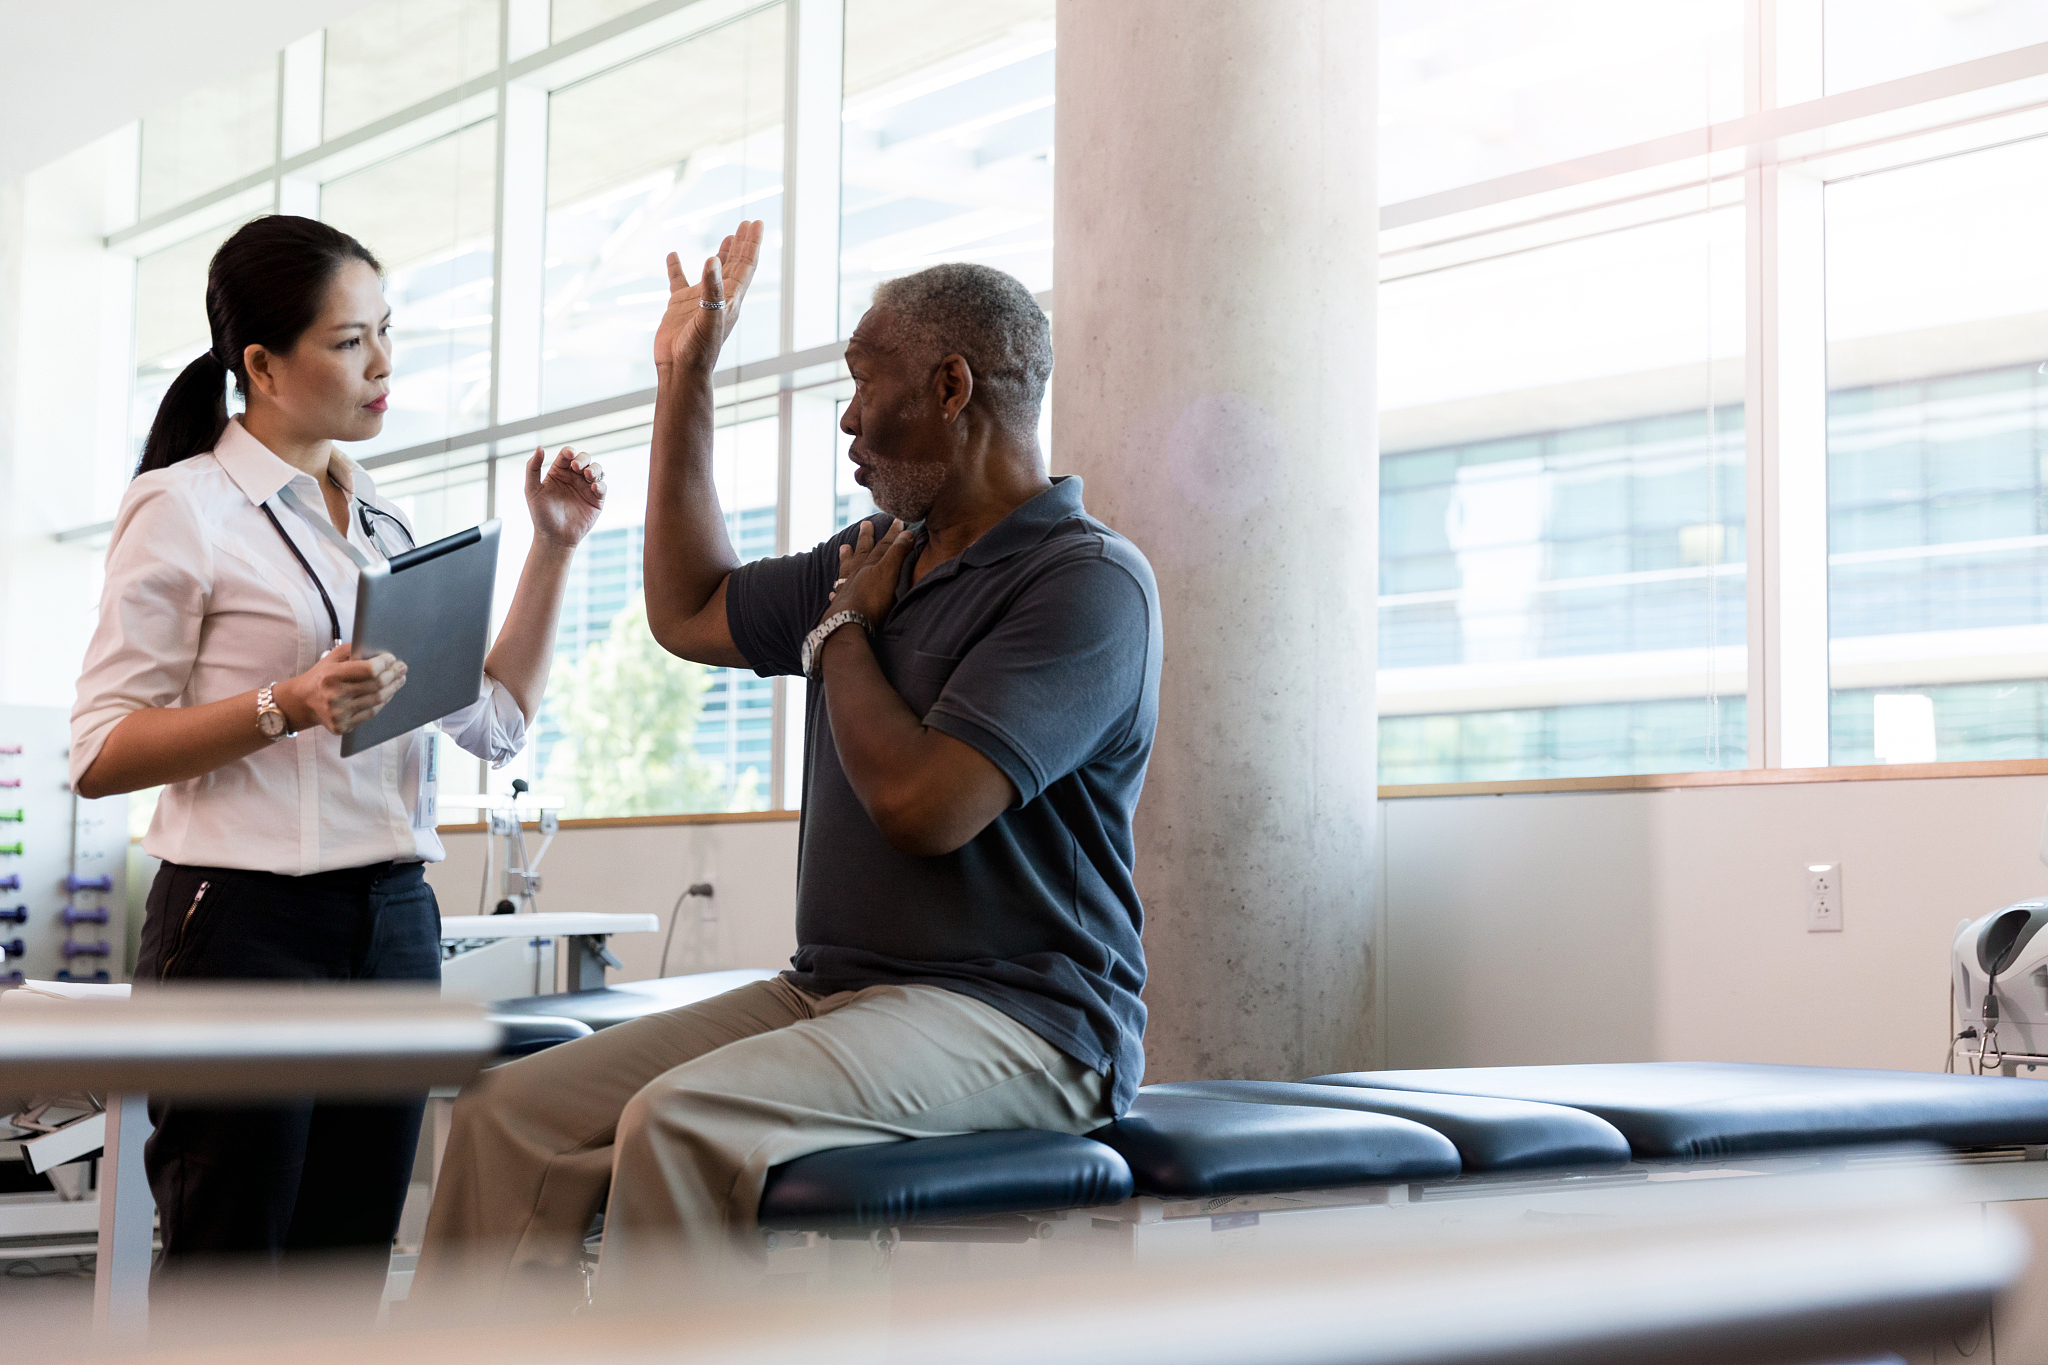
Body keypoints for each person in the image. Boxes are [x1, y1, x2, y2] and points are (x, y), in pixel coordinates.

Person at [413, 223, 1162, 1307]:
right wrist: (686, 374)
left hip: (1024, 1020)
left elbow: (924, 806)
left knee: (680, 1122)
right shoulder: (874, 558)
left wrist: (841, 634)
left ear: (951, 387)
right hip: (832, 993)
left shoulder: (1084, 581)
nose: (848, 420)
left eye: (864, 383)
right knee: (508, 1116)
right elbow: (687, 608)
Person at [69, 214, 606, 1304]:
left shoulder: (386, 525)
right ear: (263, 366)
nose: (383, 365)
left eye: (386, 333)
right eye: (350, 341)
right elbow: (101, 750)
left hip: (393, 922)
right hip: (243, 925)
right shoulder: (183, 507)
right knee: (233, 1269)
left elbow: (495, 724)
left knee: (346, 1271)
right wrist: (287, 705)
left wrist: (552, 548)